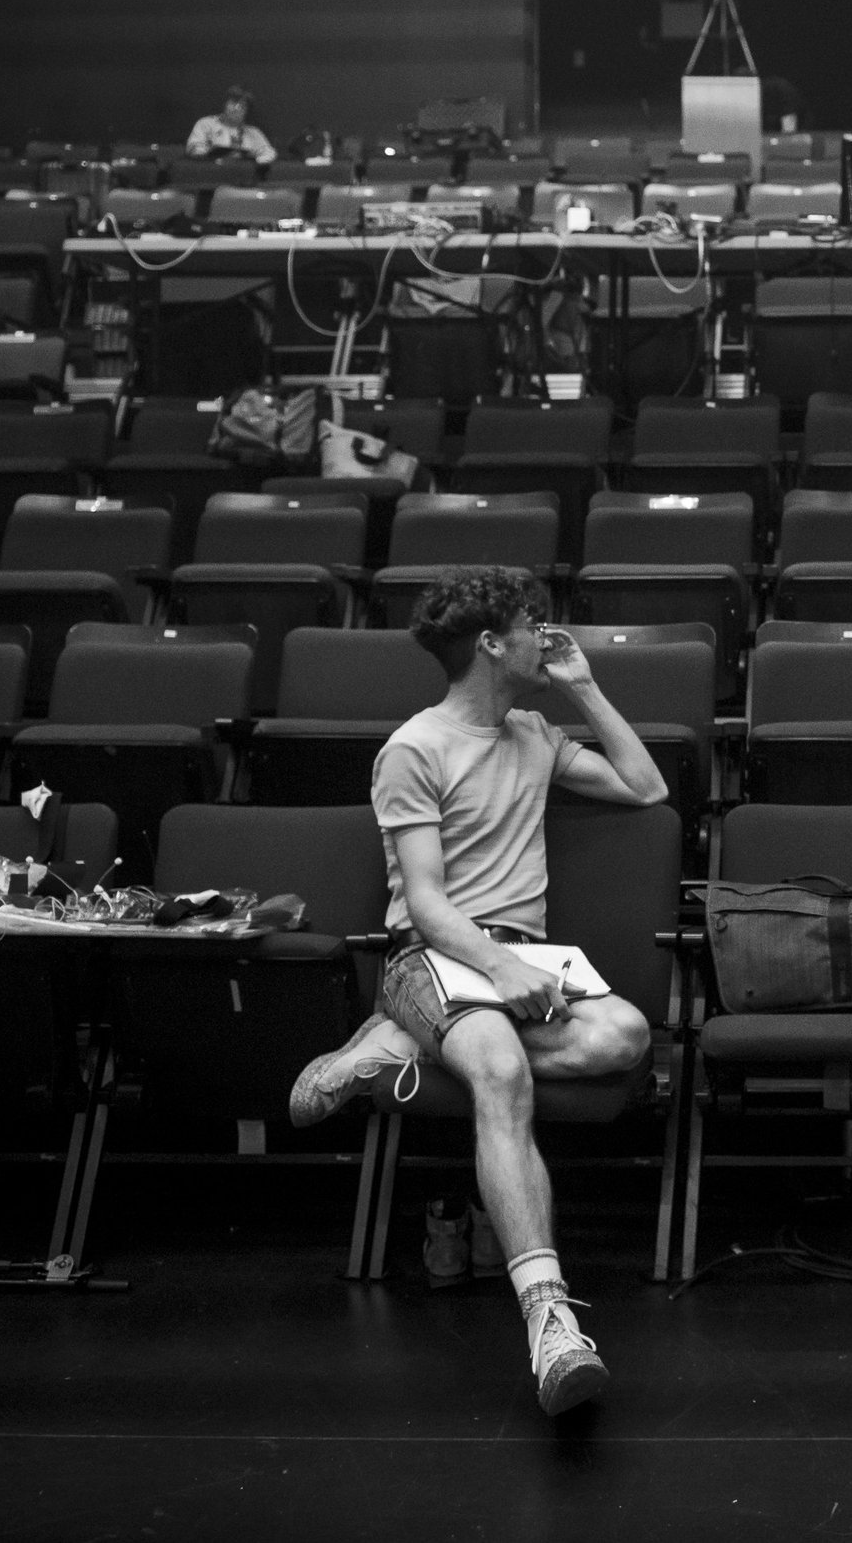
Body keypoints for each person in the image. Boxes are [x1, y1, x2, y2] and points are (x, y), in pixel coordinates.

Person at [287, 566, 665, 1417]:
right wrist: (498, 967)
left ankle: (394, 1048)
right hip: (433, 954)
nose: (548, 636)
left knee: (626, 1036)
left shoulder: (534, 731)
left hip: (523, 955)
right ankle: (551, 1322)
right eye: (535, 624)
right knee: (500, 1068)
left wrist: (585, 686)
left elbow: (647, 786)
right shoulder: (414, 747)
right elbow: (425, 902)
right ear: (493, 643)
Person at [185, 85, 277, 164]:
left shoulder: (253, 132)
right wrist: (212, 158)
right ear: (225, 104)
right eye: (233, 103)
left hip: (242, 174)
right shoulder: (206, 124)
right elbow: (194, 148)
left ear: (247, 111)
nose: (237, 108)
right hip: (209, 172)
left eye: (242, 106)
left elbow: (269, 152)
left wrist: (256, 161)